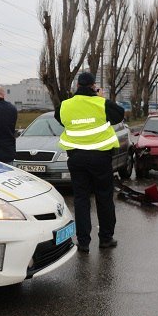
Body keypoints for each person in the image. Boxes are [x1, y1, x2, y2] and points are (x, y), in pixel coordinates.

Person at [56, 72, 124, 253]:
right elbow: (119, 115)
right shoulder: (101, 103)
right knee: (104, 197)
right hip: (100, 158)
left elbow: (59, 118)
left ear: (77, 86)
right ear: (94, 86)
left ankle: (83, 242)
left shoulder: (65, 105)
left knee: (81, 199)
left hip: (76, 158)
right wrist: (99, 98)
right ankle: (106, 238)